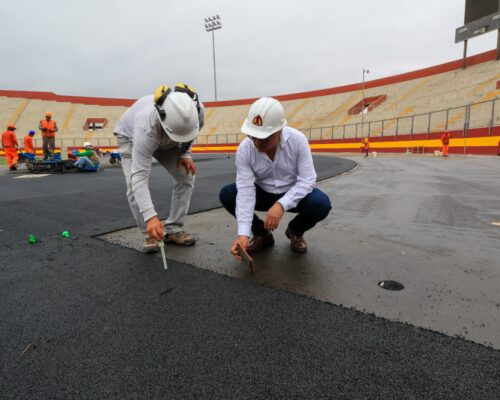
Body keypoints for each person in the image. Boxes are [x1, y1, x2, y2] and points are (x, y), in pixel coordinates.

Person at [219, 97, 332, 257]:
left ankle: (295, 231)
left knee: (321, 203)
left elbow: (308, 180)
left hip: (293, 193)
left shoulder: (298, 140)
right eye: (253, 136)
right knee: (228, 194)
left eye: (264, 139)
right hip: (263, 193)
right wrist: (243, 234)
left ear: (279, 131)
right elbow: (245, 190)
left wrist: (281, 205)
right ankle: (262, 234)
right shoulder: (245, 149)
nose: (257, 143)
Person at [114, 83, 205, 253]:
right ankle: (150, 232)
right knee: (133, 185)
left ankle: (174, 228)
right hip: (130, 137)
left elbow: (192, 133)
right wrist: (150, 216)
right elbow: (139, 177)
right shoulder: (145, 126)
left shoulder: (197, 110)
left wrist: (185, 153)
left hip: (169, 140)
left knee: (186, 176)